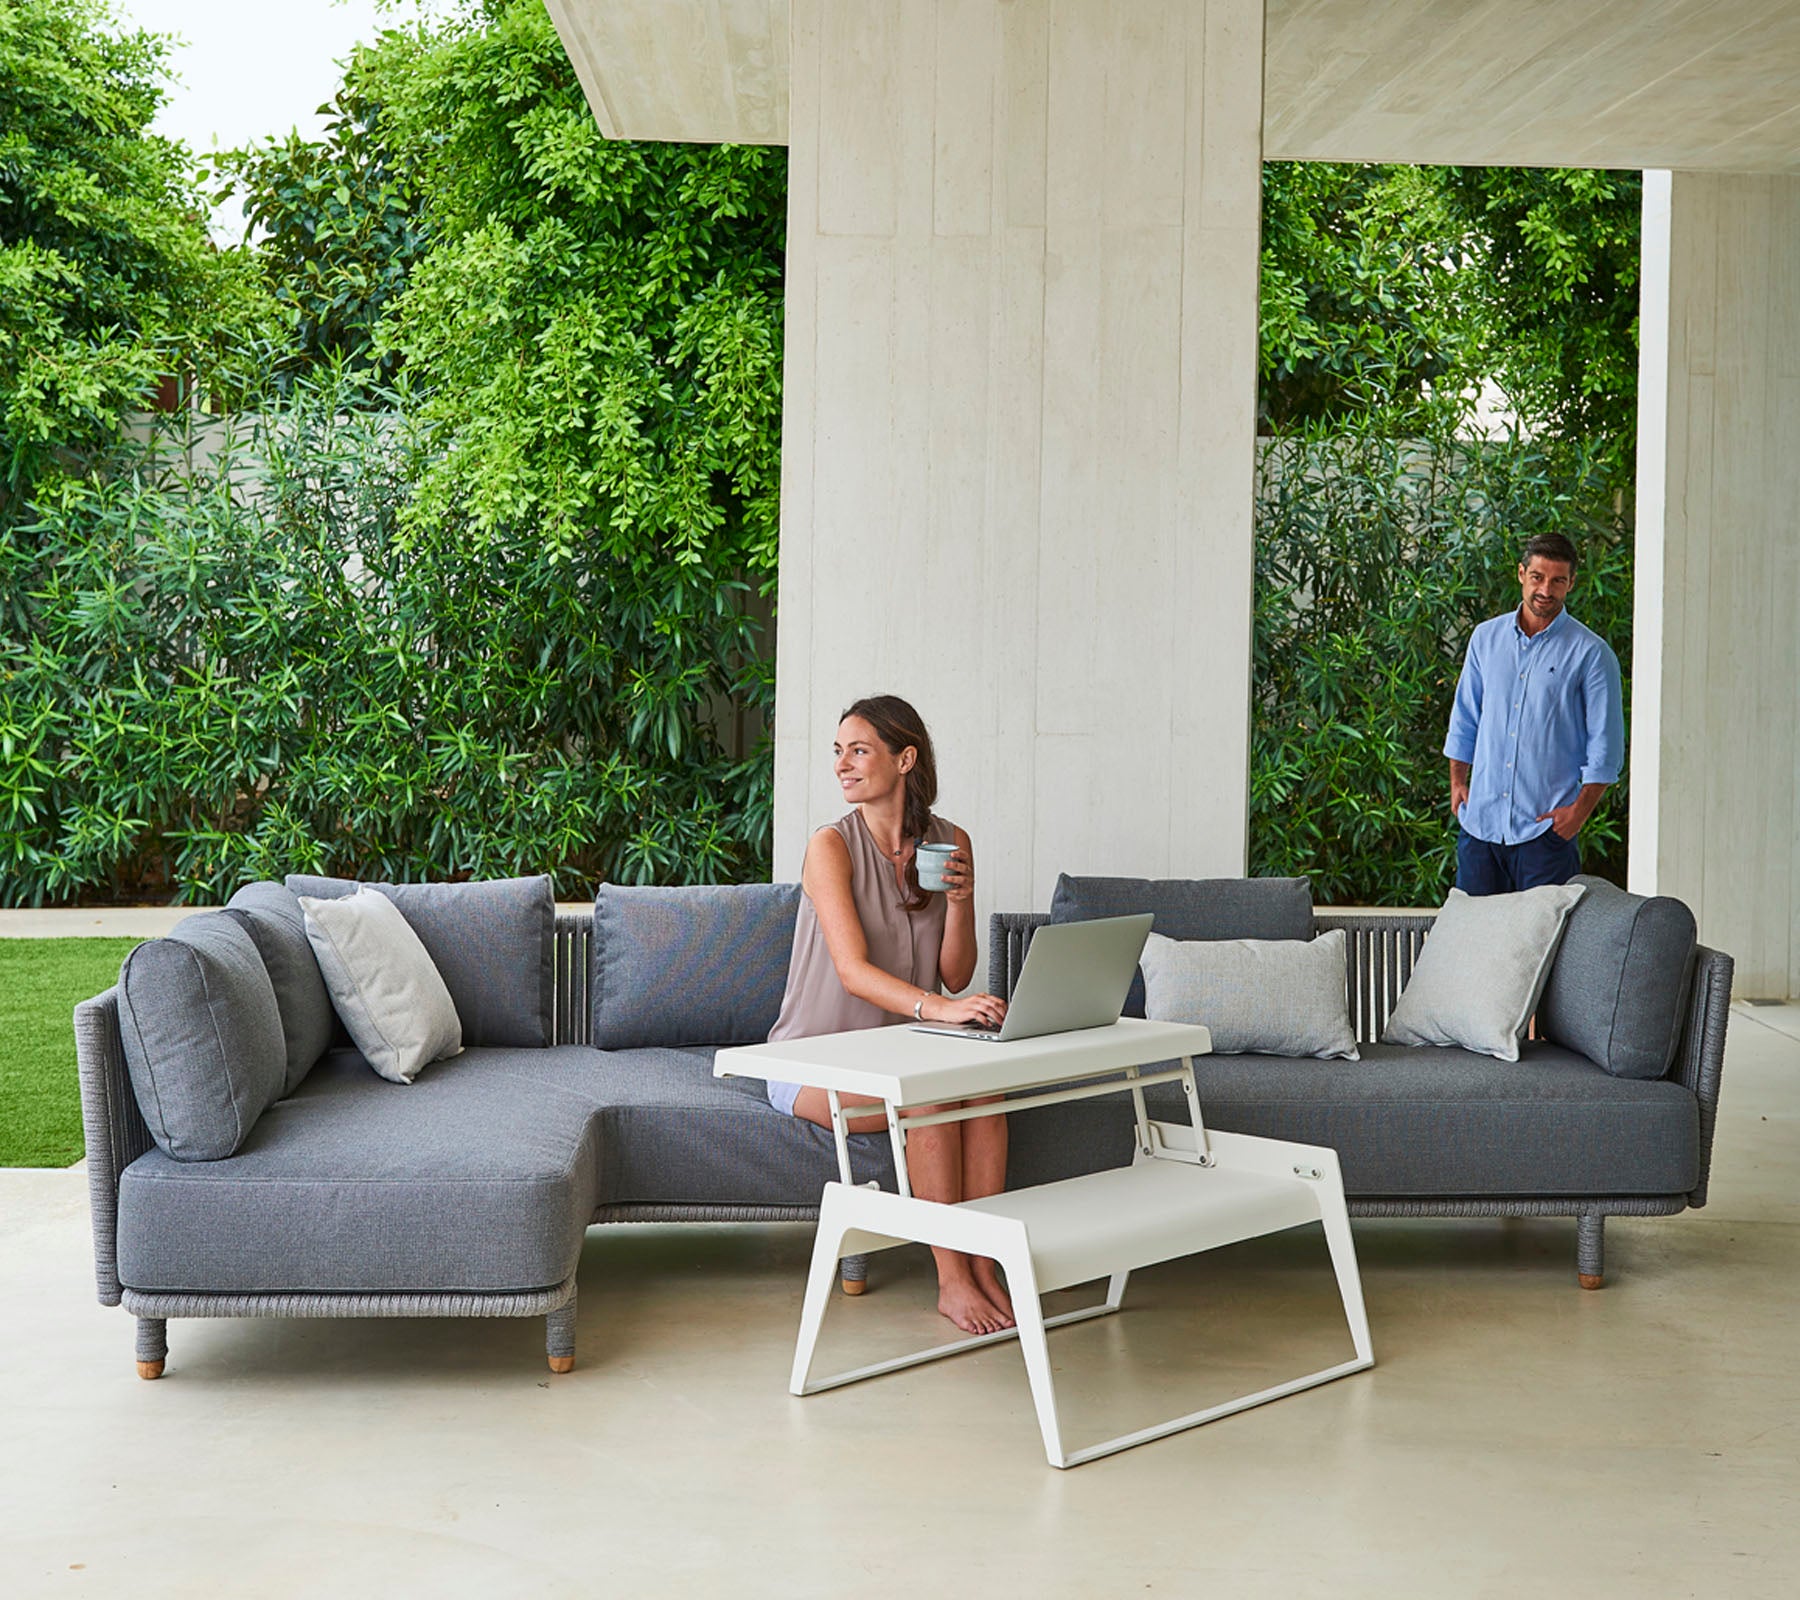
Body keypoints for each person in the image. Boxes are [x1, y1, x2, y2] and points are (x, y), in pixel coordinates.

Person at [765, 694, 1015, 1335]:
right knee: (930, 1099)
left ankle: (986, 1264)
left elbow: (956, 973)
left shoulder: (950, 841)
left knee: (985, 1091)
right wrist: (942, 1011)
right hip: (813, 1058)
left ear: (905, 760)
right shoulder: (831, 847)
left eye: (859, 750)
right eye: (838, 752)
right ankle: (952, 1280)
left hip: (904, 1051)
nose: (842, 765)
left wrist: (962, 900)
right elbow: (852, 971)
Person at [1444, 532, 1624, 894]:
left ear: (1571, 583)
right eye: (1538, 577)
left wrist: (1578, 814)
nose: (1545, 590)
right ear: (1521, 573)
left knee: (1543, 932)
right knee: (1474, 928)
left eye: (1558, 580)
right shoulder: (1485, 639)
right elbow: (1465, 717)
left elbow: (1606, 745)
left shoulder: (1591, 653)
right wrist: (1457, 781)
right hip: (1480, 828)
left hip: (1545, 836)